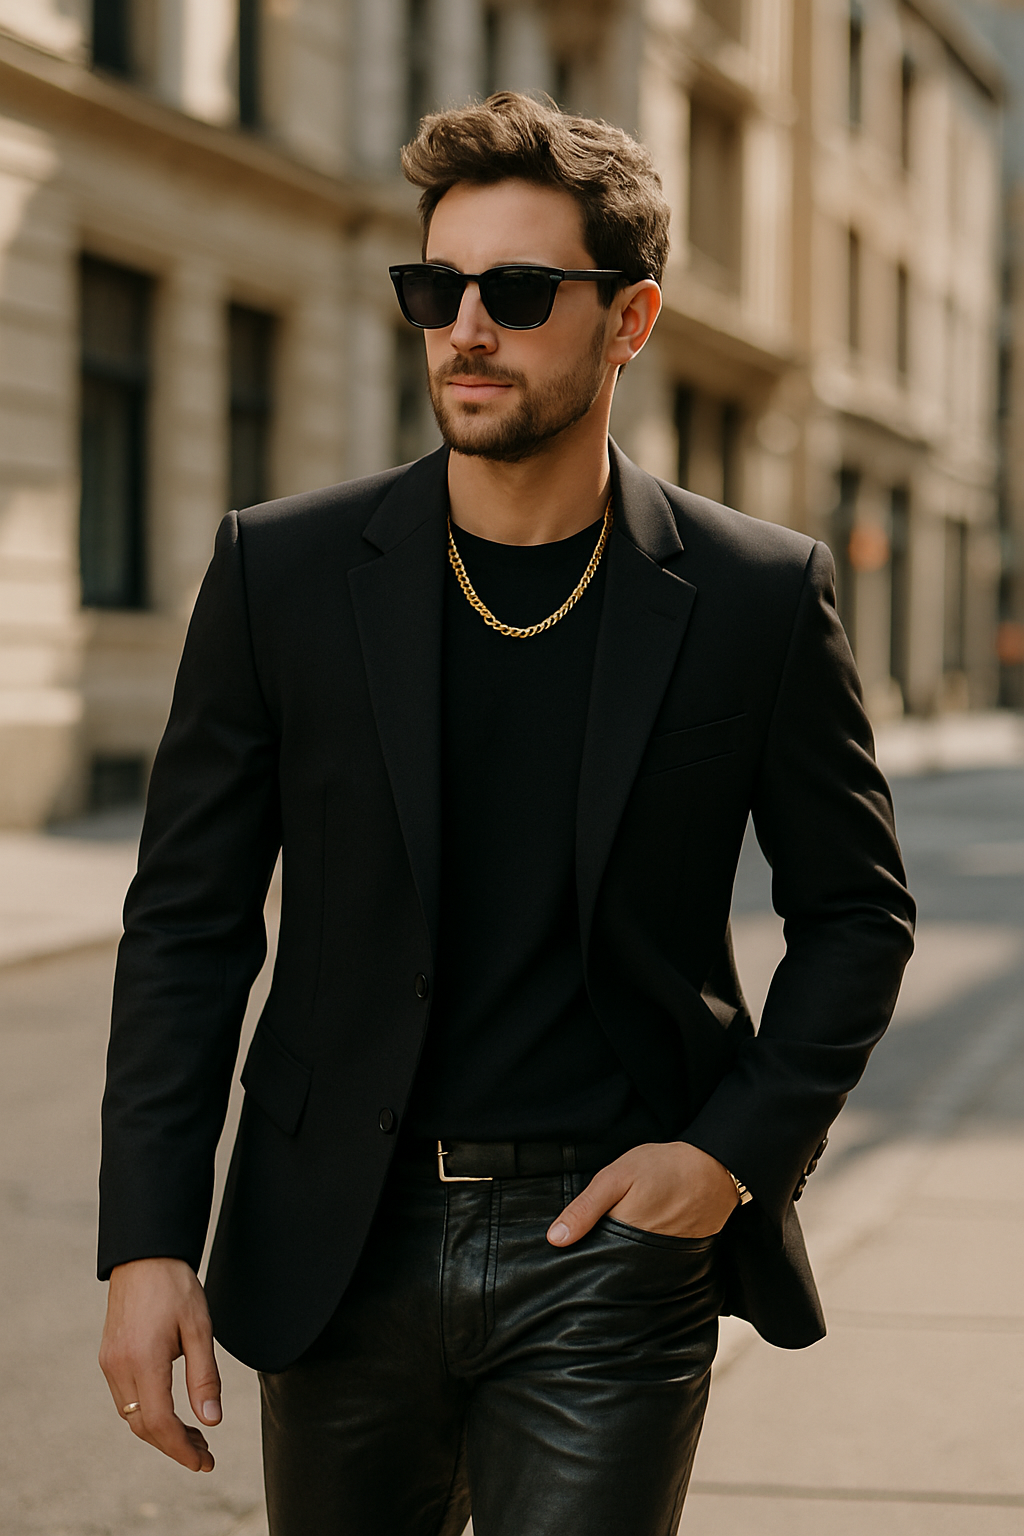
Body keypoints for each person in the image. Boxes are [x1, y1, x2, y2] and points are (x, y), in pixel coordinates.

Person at [98, 92, 915, 1535]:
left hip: (606, 1246)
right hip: (341, 1239)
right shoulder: (278, 577)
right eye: (437, 288)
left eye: (521, 291)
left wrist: (728, 1158)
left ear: (630, 319)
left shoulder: (754, 597)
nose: (467, 327)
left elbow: (855, 913)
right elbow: (187, 924)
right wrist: (146, 1243)